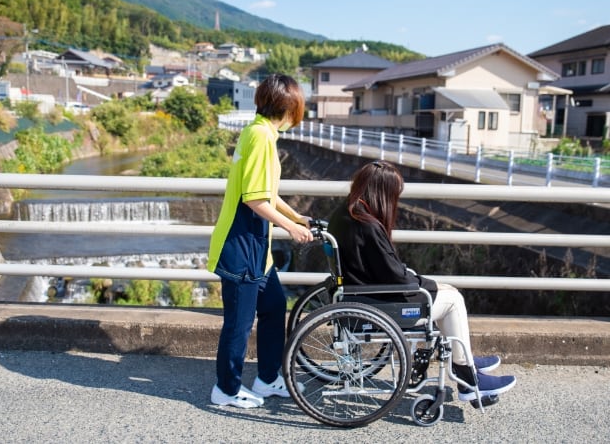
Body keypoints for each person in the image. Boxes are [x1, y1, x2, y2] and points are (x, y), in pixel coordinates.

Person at [327, 160, 516, 402]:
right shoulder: (368, 226)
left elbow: (388, 270)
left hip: (360, 296)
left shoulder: (345, 213)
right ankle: (468, 376)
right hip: (380, 304)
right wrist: (426, 284)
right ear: (383, 192)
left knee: (447, 293)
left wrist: (425, 283)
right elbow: (395, 276)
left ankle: (464, 360)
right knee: (454, 300)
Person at [207, 74, 313, 408]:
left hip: (255, 249)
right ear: (289, 107)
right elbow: (255, 199)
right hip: (241, 246)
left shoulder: (257, 132)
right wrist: (291, 229)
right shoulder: (261, 138)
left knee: (274, 307)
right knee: (238, 324)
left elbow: (266, 192)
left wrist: (296, 217)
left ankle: (267, 379)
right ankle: (225, 389)